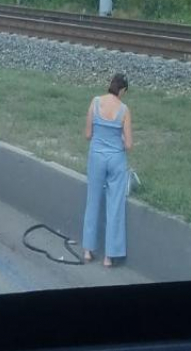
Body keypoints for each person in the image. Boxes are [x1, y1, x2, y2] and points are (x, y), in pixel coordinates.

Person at [82, 73, 133, 267]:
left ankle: (88, 250)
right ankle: (109, 256)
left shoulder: (95, 102)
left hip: (96, 157)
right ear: (122, 90)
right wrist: (118, 138)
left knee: (92, 200)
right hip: (116, 160)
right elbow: (129, 144)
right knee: (115, 206)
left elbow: (88, 134)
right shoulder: (124, 110)